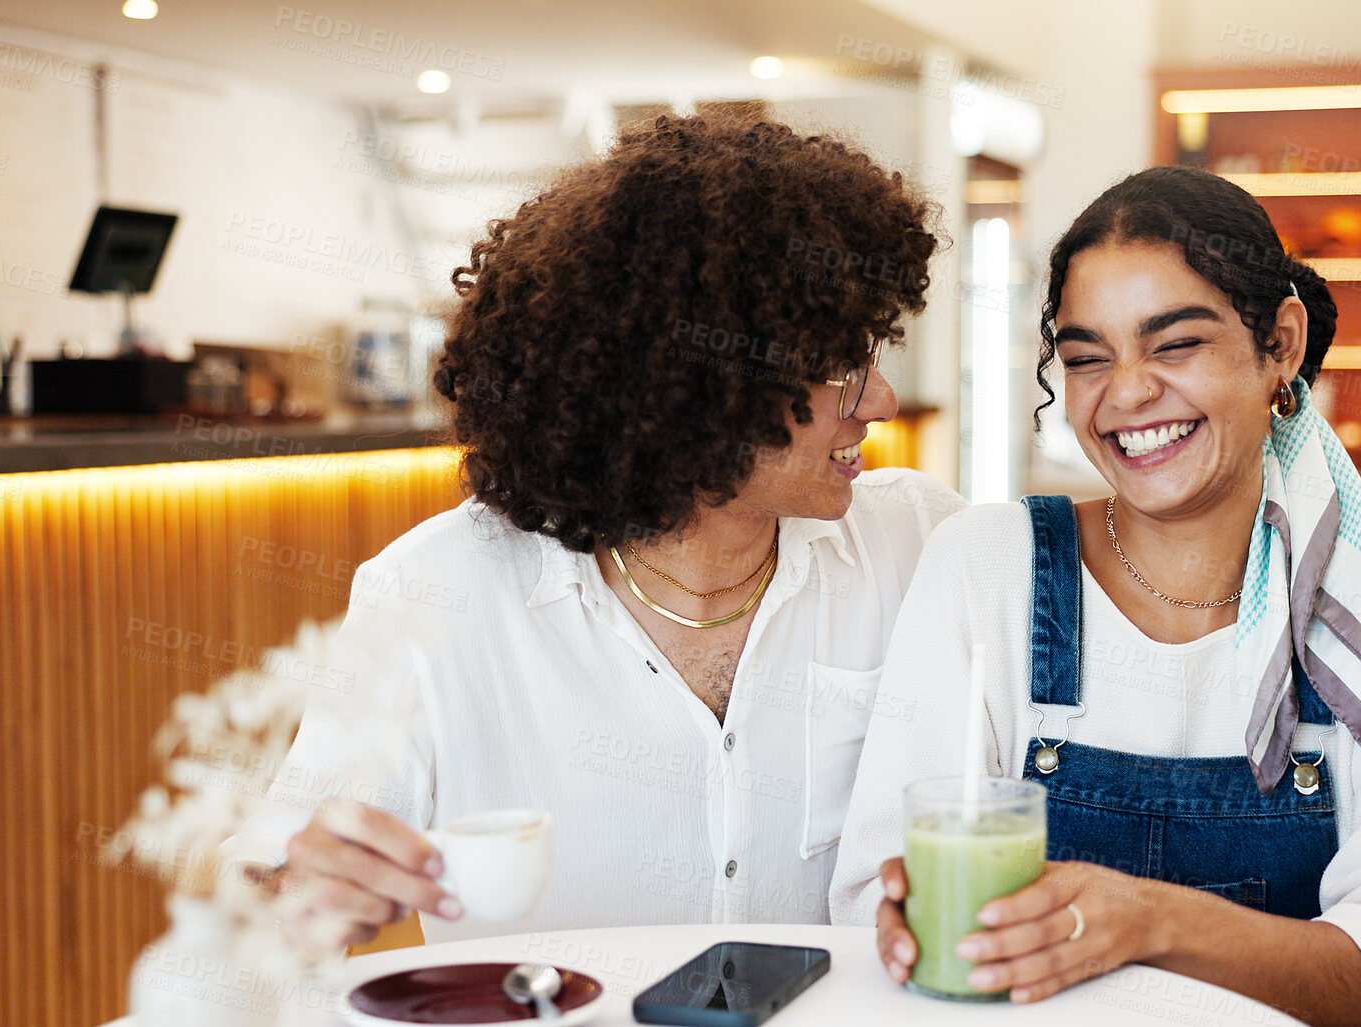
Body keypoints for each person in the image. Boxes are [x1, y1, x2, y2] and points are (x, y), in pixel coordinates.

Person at [232, 114, 962, 952]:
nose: (878, 404)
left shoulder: (918, 546)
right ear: (696, 387)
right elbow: (265, 881)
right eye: (840, 371)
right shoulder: (436, 595)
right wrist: (297, 882)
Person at [831, 166, 1361, 1026]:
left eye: (1175, 343)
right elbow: (873, 894)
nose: (1127, 393)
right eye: (1085, 358)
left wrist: (1145, 921)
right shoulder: (986, 564)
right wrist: (901, 921)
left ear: (1281, 345)